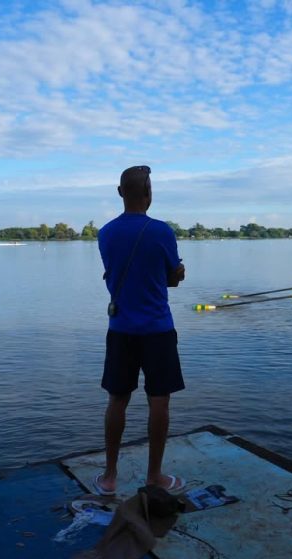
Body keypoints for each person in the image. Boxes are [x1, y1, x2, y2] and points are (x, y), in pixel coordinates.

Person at [94, 165, 186, 496]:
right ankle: (154, 477)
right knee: (158, 402)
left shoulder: (105, 233)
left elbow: (114, 275)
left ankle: (109, 477)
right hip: (158, 328)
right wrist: (178, 274)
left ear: (120, 193)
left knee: (117, 400)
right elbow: (169, 278)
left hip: (120, 329)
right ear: (149, 193)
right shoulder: (162, 231)